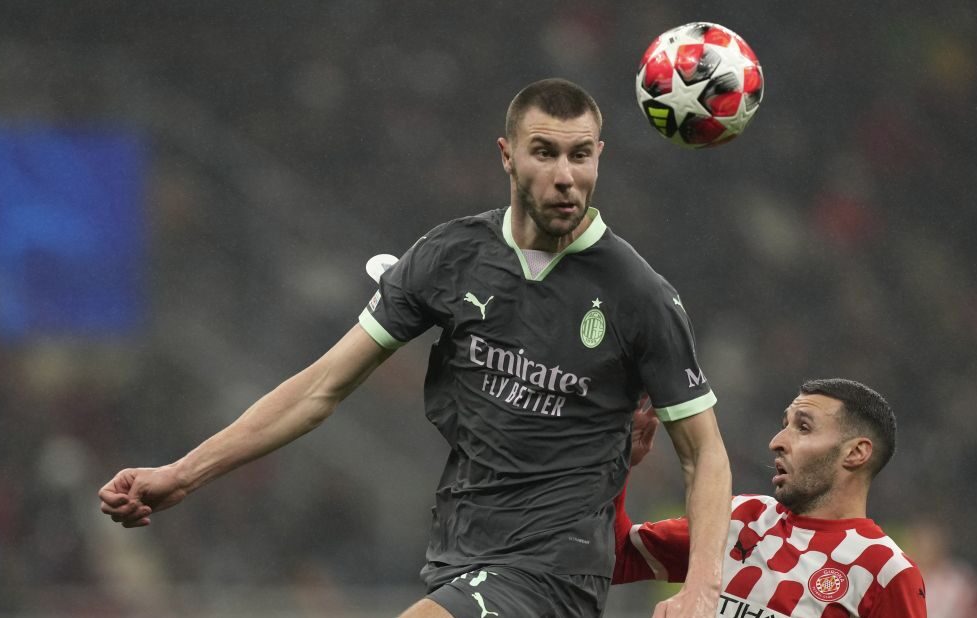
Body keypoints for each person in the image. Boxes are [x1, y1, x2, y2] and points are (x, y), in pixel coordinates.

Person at [97, 78, 731, 618]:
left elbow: (704, 453)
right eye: (545, 153)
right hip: (459, 554)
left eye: (581, 156)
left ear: (600, 158)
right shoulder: (451, 256)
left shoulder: (639, 294)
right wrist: (181, 474)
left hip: (555, 572)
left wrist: (701, 589)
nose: (566, 177)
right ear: (507, 155)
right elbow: (320, 389)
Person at [614, 379, 926, 617]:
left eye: (803, 427)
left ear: (856, 453)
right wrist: (616, 460)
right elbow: (618, 557)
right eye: (784, 426)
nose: (776, 442)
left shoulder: (885, 571)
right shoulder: (741, 518)